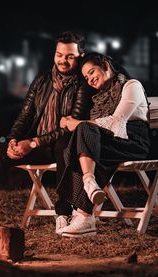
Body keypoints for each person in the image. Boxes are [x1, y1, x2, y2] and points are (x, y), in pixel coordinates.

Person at [0, 31, 93, 213]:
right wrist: (13, 140)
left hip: (61, 146)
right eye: (59, 55)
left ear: (81, 56)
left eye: (70, 56)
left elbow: (72, 125)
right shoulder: (42, 80)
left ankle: (64, 211)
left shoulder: (83, 84)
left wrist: (33, 143)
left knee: (64, 145)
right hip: (37, 146)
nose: (63, 60)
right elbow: (25, 115)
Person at [56, 52, 150, 238]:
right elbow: (94, 129)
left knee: (83, 136)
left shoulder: (132, 85)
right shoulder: (98, 99)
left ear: (106, 65)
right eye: (86, 77)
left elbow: (116, 122)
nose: (90, 79)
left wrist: (74, 123)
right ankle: (89, 184)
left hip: (133, 141)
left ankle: (83, 214)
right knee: (83, 139)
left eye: (92, 72)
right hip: (109, 142)